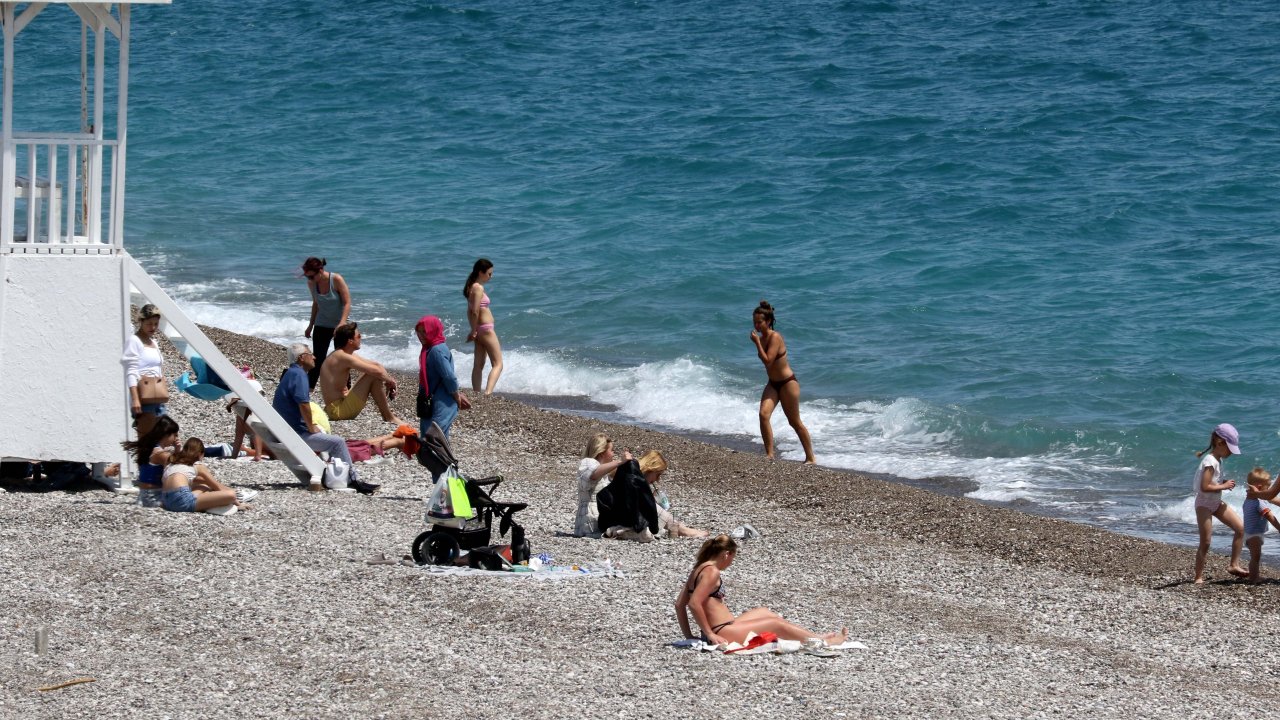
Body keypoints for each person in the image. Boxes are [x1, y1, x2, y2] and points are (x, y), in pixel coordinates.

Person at [675, 534, 847, 647]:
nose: (731, 563)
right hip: (722, 631)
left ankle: (814, 636)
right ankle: (823, 642)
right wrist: (710, 634)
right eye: (732, 558)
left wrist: (689, 634)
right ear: (726, 554)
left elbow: (679, 605)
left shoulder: (697, 570)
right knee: (776, 625)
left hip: (725, 627)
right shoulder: (711, 572)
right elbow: (694, 603)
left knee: (764, 612)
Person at [271, 343, 378, 494]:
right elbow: (304, 404)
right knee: (338, 443)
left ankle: (335, 475)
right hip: (296, 433)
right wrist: (310, 427)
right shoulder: (299, 375)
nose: (314, 357)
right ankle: (354, 480)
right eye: (310, 354)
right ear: (302, 358)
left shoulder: (291, 373)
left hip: (287, 430)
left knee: (326, 435)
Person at [750, 300, 816, 464]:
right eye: (754, 323)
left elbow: (768, 361)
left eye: (760, 322)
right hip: (773, 383)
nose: (756, 326)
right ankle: (770, 454)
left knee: (794, 421)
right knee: (763, 415)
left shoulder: (775, 337)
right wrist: (759, 341)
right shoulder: (763, 338)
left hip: (788, 383)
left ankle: (810, 457)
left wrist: (757, 343)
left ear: (769, 322)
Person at [1192, 423, 1248, 583]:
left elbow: (1211, 482)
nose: (1231, 452)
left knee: (1240, 528)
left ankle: (1234, 565)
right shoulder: (1210, 460)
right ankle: (1198, 576)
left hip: (1215, 502)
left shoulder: (1218, 460)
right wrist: (1223, 485)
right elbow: (1205, 486)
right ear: (1220, 442)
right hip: (1203, 504)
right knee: (1206, 541)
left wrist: (1221, 482)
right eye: (1229, 448)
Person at [318, 322, 402, 425]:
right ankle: (389, 417)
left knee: (373, 374)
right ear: (350, 341)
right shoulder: (342, 357)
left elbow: (377, 365)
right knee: (372, 375)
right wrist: (390, 382)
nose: (361, 337)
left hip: (338, 406)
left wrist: (389, 380)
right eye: (359, 336)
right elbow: (377, 371)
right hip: (337, 412)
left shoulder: (344, 354)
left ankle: (388, 415)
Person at [416, 315, 471, 441]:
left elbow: (449, 376)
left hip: (441, 403)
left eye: (425, 331)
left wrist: (456, 396)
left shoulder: (436, 350)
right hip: (432, 403)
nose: (421, 335)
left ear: (433, 330)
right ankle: (444, 460)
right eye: (418, 332)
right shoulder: (428, 349)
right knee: (434, 441)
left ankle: (446, 461)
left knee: (434, 440)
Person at [300, 257, 351, 391]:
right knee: (317, 359)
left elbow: (347, 303)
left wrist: (341, 323)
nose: (309, 280)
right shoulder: (312, 284)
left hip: (339, 326)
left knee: (342, 360)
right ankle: (308, 390)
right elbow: (316, 304)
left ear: (321, 270)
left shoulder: (336, 280)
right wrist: (310, 325)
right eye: (307, 277)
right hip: (321, 324)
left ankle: (346, 390)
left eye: (311, 276)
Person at [161, 438, 246, 514]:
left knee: (204, 486)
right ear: (200, 454)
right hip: (182, 502)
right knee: (231, 495)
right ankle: (210, 505)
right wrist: (238, 503)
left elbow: (202, 482)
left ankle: (207, 502)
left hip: (165, 500)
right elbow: (217, 486)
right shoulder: (198, 465)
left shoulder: (171, 461)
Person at [639, 450, 710, 539]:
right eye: (657, 475)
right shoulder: (633, 479)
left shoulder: (634, 477)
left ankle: (681, 528)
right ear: (650, 469)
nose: (657, 479)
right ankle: (683, 530)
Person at [574, 433, 631, 537]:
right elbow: (593, 474)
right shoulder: (587, 463)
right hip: (590, 522)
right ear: (602, 452)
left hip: (597, 519)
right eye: (611, 450)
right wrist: (620, 461)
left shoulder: (604, 471)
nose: (613, 453)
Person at [464, 258, 504, 396]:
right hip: (485, 329)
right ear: (481, 272)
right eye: (489, 273)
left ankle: (476, 394)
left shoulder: (471, 287)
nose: (490, 277)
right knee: (498, 364)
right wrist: (474, 331)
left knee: (478, 365)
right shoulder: (478, 288)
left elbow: (469, 311)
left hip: (479, 330)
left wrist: (473, 330)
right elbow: (474, 311)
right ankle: (487, 393)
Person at [121, 415, 180, 508]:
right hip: (153, 498)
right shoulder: (160, 454)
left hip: (144, 496)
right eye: (175, 435)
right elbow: (180, 466)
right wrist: (178, 450)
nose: (176, 438)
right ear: (166, 434)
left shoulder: (151, 448)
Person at [122, 304, 166, 427]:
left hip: (158, 396)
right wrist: (135, 399)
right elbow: (130, 371)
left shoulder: (154, 343)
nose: (153, 327)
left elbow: (158, 368)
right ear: (141, 321)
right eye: (149, 323)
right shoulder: (134, 341)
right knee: (148, 440)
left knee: (161, 437)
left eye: (156, 324)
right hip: (143, 397)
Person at [1242, 468, 1280, 584]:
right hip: (1254, 535)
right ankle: (1254, 577)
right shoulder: (1259, 503)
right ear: (1258, 488)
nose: (1268, 491)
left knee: (1255, 557)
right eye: (1267, 488)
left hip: (1249, 533)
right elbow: (1269, 516)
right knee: (1255, 558)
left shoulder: (1247, 501)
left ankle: (1254, 576)